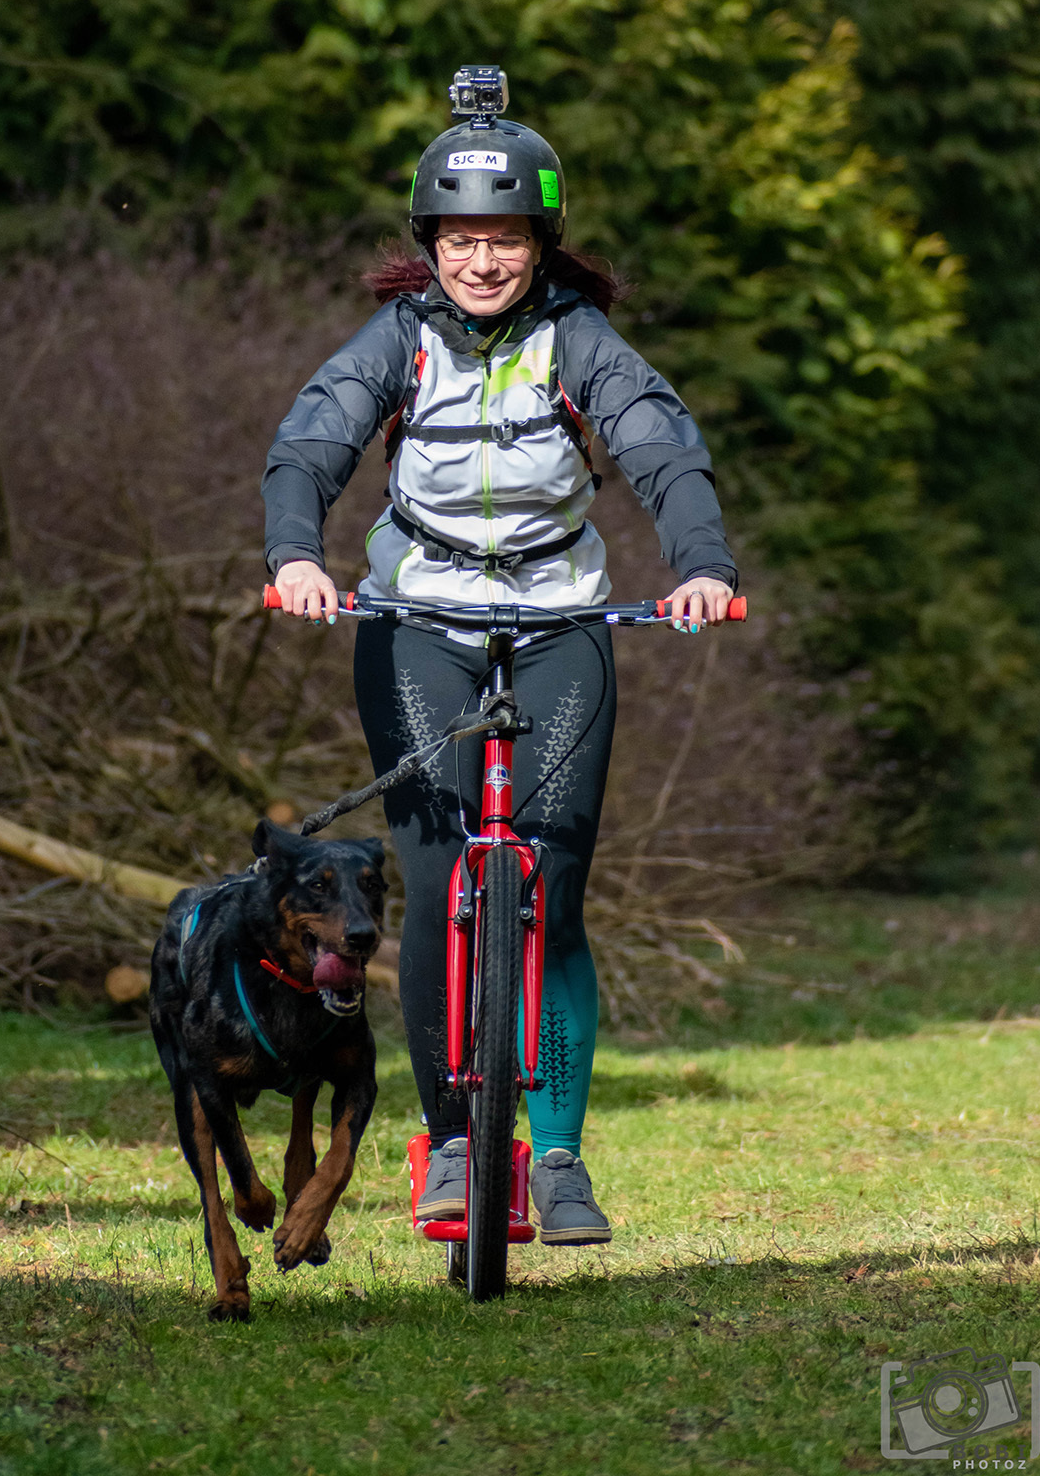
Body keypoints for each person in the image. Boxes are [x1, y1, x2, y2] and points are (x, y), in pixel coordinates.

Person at [262, 71, 737, 1245]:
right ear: (431, 242)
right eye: (463, 237)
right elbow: (308, 444)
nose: (483, 259)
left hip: (562, 622)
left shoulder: (581, 342)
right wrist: (298, 556)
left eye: (506, 237)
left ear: (541, 241)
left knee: (557, 882)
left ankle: (562, 1154)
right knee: (435, 884)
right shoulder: (397, 341)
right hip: (416, 623)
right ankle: (458, 1143)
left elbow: (664, 449)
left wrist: (701, 565)